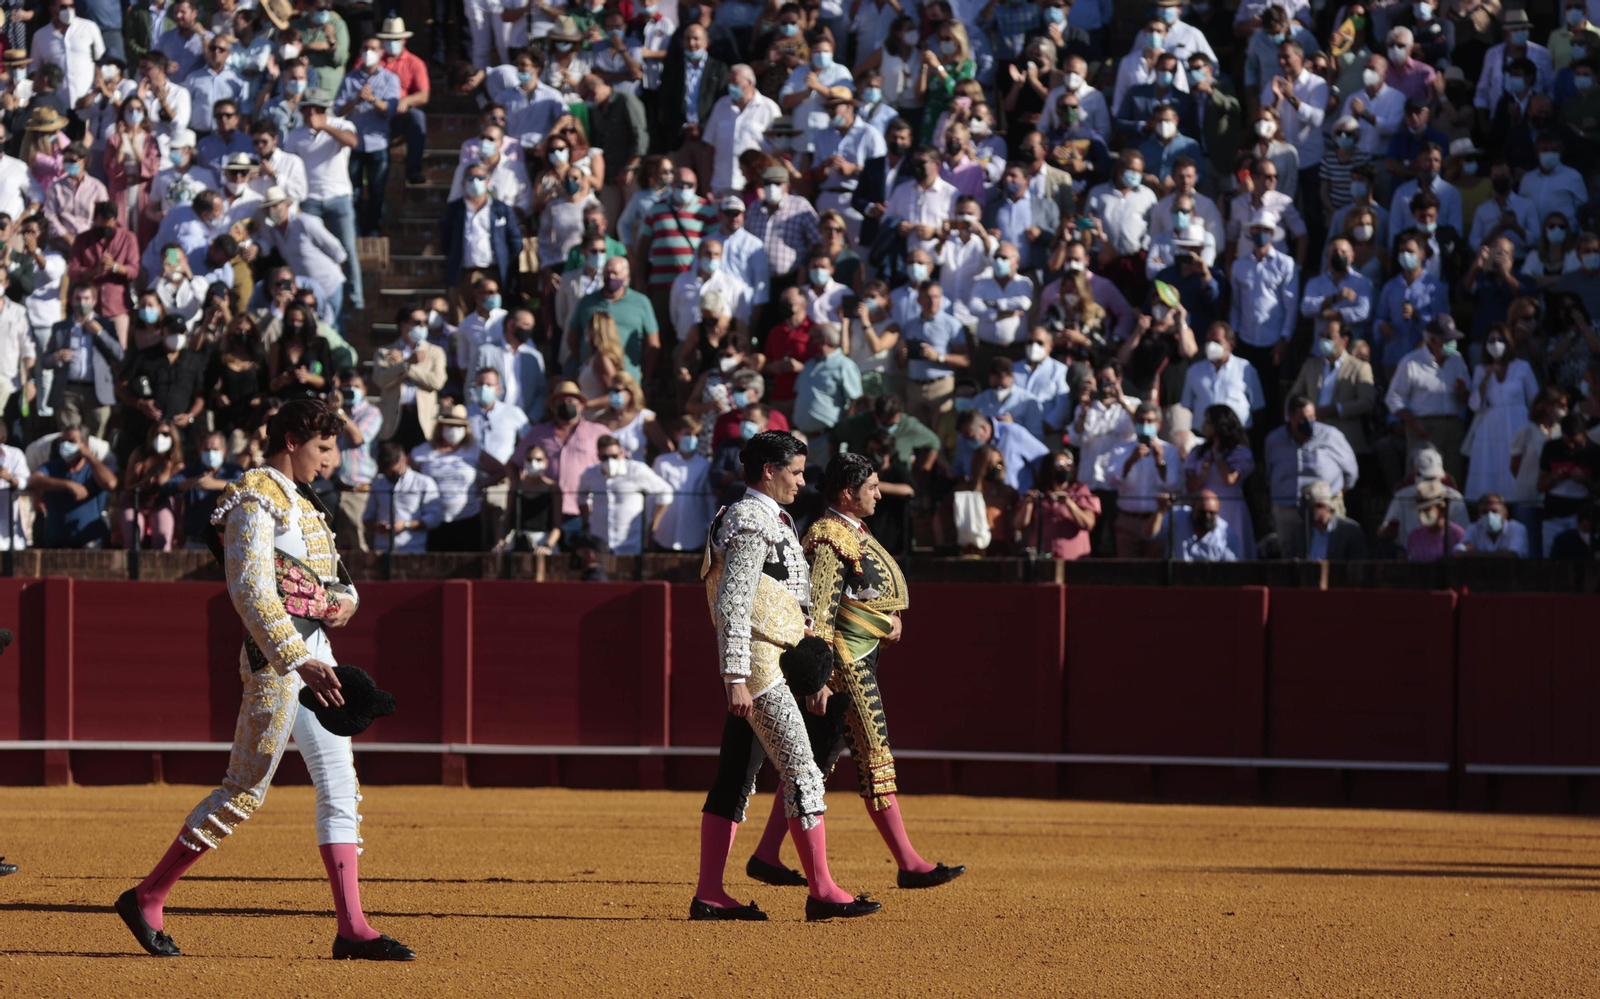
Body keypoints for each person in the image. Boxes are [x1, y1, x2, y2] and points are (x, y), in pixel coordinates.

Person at [115, 400, 414, 962]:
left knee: (340, 786)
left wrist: (345, 603)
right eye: (324, 448)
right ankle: (148, 896)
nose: (331, 460)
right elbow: (249, 591)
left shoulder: (304, 501)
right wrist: (296, 657)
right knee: (243, 791)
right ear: (291, 439)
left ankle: (352, 929)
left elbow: (337, 579)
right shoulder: (255, 497)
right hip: (277, 663)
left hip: (316, 656)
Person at [745, 451, 963, 891]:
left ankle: (767, 854)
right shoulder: (829, 535)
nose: (881, 494)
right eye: (873, 488)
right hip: (844, 665)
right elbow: (821, 612)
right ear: (848, 494)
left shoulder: (847, 531)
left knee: (816, 760)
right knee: (873, 755)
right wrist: (821, 679)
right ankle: (909, 863)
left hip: (853, 658)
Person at [691, 430, 881, 922]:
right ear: (769, 471)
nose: (802, 481)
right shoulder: (752, 518)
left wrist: (809, 671)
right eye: (795, 472)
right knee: (802, 771)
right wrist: (735, 674)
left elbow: (786, 605)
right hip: (757, 665)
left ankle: (710, 893)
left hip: (769, 661)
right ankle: (822, 890)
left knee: (735, 775)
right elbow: (734, 603)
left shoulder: (765, 517)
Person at [281, 87, 361, 320]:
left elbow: (353, 142)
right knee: (312, 250)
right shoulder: (295, 135)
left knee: (347, 250)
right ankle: (311, 296)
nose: (309, 114)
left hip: (339, 197)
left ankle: (355, 299)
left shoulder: (342, 125)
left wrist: (324, 125)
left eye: (314, 109)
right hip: (310, 200)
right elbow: (290, 165)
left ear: (322, 109)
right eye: (306, 109)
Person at [511, 380, 610, 532]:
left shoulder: (598, 432)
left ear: (581, 405)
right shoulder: (538, 433)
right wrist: (520, 487)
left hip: (583, 510)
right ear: (553, 407)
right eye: (561, 401)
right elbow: (514, 463)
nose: (566, 404)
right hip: (544, 510)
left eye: (571, 400)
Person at [1263, 394, 1359, 549]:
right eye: (1302, 419)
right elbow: (1269, 472)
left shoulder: (1331, 435)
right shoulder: (1274, 440)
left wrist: (1335, 496)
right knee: (1289, 553)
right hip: (1287, 509)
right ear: (1290, 417)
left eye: (1312, 417)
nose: (1308, 422)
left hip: (1325, 508)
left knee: (1331, 549)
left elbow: (1351, 472)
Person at [1385, 313, 1471, 482]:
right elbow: (1393, 398)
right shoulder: (1411, 362)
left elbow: (1468, 397)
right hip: (1423, 427)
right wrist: (1413, 422)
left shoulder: (1457, 359)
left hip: (1453, 426)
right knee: (1422, 477)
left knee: (1453, 478)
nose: (1452, 344)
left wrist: (1462, 391)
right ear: (1433, 341)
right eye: (1447, 340)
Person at [1463, 323, 1540, 503]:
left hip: (1517, 425)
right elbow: (1475, 405)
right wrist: (1486, 377)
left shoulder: (1522, 367)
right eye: (1491, 340)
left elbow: (1535, 399)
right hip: (1490, 429)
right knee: (1491, 470)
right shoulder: (1481, 370)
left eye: (1500, 339)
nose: (1496, 343)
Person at [333, 36, 401, 238]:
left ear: (381, 53)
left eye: (373, 48)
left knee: (376, 191)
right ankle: (353, 230)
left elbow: (390, 109)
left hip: (377, 143)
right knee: (351, 192)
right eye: (365, 47)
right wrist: (355, 100)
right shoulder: (349, 79)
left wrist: (372, 100)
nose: (368, 51)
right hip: (354, 144)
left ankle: (373, 229)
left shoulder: (390, 79)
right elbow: (338, 110)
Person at [44, 283, 124, 438]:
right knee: (70, 438)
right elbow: (45, 362)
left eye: (86, 298)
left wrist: (100, 333)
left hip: (97, 391)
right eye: (78, 298)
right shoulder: (60, 328)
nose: (82, 302)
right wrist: (56, 357)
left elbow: (119, 355)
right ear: (71, 301)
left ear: (94, 301)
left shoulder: (106, 325)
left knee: (95, 441)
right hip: (67, 391)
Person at [1287, 320, 1376, 455]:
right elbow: (1293, 397)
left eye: (1329, 337)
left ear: (1344, 340)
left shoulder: (1360, 367)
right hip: (1312, 439)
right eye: (1322, 335)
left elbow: (1367, 401)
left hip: (1345, 440)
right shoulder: (1311, 365)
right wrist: (1292, 422)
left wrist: (1337, 409)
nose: (1323, 340)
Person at [409, 404, 490, 552]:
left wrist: (480, 485)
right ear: (440, 427)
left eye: (458, 426)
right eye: (450, 425)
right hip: (433, 520)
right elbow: (407, 475)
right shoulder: (422, 451)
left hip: (467, 520)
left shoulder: (473, 450)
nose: (454, 430)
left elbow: (501, 470)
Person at [577, 433, 674, 554]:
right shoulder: (590, 474)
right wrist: (586, 523)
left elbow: (665, 492)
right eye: (605, 457)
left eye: (614, 456)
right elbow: (581, 498)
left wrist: (653, 525)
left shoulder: (636, 470)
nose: (610, 461)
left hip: (630, 544)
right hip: (600, 542)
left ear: (622, 453)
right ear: (598, 457)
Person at [1183, 403, 1255, 559]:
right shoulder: (1198, 452)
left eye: (1208, 421)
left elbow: (1230, 479)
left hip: (1232, 510)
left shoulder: (1240, 452)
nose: (1203, 425)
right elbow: (1189, 486)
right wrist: (1203, 474)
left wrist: (1219, 456)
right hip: (1204, 510)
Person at [372, 307, 447, 452]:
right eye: (418, 322)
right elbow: (381, 380)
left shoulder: (435, 352)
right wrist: (407, 364)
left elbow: (437, 382)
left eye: (425, 322)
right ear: (403, 325)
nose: (423, 326)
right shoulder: (385, 352)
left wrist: (406, 366)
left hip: (423, 418)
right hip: (395, 418)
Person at [66, 200, 138, 344]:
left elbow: (134, 271)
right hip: (89, 310)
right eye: (101, 223)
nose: (105, 227)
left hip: (117, 308)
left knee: (118, 354)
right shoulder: (82, 239)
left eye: (109, 224)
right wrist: (95, 271)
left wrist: (115, 267)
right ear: (94, 220)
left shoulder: (128, 238)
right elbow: (72, 271)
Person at [1014, 450, 1098, 559]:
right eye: (1060, 465)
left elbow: (1088, 524)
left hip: (1074, 558)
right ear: (1049, 469)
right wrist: (1029, 504)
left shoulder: (1080, 491)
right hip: (1044, 558)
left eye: (1068, 464)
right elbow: (1019, 525)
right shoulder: (1039, 492)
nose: (1065, 469)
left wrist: (1070, 504)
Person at [1537, 410, 1600, 557]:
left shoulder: (1595, 453)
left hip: (1579, 519)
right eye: (1567, 440)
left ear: (1584, 433)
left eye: (1575, 441)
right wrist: (1554, 477)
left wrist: (1584, 480)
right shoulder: (1551, 448)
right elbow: (1539, 486)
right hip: (1553, 516)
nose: (1571, 445)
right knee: (1551, 561)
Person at [332, 368, 381, 552]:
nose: (352, 391)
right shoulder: (333, 411)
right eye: (347, 387)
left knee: (360, 549)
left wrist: (339, 412)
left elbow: (357, 438)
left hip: (358, 493)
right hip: (334, 490)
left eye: (356, 387)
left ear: (365, 390)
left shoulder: (372, 412)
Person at [790, 323, 862, 451]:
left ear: (825, 340)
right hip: (802, 439)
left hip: (827, 439)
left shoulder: (844, 365)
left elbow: (855, 401)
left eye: (812, 338)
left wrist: (840, 433)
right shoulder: (808, 365)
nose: (807, 342)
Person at [364, 439, 442, 555]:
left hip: (413, 550)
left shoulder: (424, 483)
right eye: (387, 472)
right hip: (382, 550)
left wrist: (406, 525)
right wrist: (377, 526)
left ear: (404, 460)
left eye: (394, 471)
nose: (390, 475)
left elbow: (434, 518)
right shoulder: (378, 483)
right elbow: (367, 517)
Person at [1181, 321, 1264, 429]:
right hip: (1203, 435)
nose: (1211, 346)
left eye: (1216, 342)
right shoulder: (1194, 370)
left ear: (1230, 345)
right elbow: (1188, 405)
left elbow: (1257, 406)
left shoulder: (1245, 369)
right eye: (1208, 341)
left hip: (1237, 436)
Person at [1147, 488, 1240, 561]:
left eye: (1212, 513)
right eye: (1202, 512)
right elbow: (1149, 535)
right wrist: (1160, 511)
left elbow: (1229, 569)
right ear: (1193, 508)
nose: (1207, 516)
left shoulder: (1227, 534)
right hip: (1177, 579)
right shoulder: (1177, 516)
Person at [1286, 479, 1368, 559]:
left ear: (1321, 506)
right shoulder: (1299, 531)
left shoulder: (1350, 531)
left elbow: (1357, 566)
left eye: (1308, 506)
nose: (1304, 510)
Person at [1453, 492, 1529, 556]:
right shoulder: (1474, 528)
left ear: (1505, 513)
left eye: (1494, 511)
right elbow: (1458, 551)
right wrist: (1499, 554)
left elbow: (1513, 555)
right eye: (1485, 512)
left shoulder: (1517, 528)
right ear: (1479, 514)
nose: (1489, 515)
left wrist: (1474, 553)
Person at [1406, 477, 1465, 561]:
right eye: (1421, 510)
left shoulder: (1457, 534)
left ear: (1441, 508)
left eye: (1427, 508)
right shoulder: (1414, 536)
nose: (1423, 513)